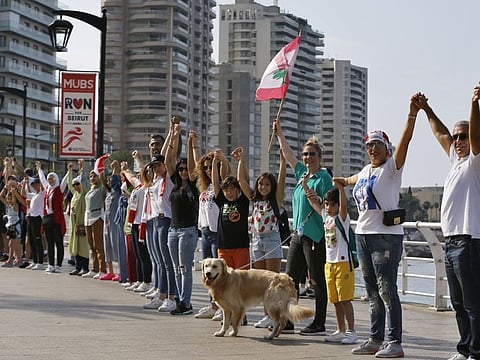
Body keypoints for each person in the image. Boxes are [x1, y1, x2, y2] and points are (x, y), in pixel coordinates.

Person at [334, 96, 417, 358]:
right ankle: (374, 338)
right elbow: (351, 179)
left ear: (386, 148)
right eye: (370, 146)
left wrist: (412, 114)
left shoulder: (392, 168)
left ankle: (394, 342)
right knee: (371, 290)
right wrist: (341, 182)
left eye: (378, 145)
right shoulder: (366, 170)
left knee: (387, 289)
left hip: (386, 237)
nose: (373, 149)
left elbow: (405, 141)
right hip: (363, 236)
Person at [415, 88, 480, 360]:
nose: (458, 141)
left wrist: (474, 104)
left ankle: (477, 352)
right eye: (456, 137)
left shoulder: (476, 161)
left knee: (473, 303)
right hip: (451, 241)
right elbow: (440, 133)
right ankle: (464, 349)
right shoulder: (456, 160)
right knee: (458, 303)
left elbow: (476, 136)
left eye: (462, 136)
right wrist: (426, 109)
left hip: (469, 239)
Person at [274, 119, 333, 335]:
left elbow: (330, 204)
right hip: (298, 234)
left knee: (316, 279)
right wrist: (280, 134)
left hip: (315, 235)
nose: (307, 158)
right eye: (306, 154)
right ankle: (288, 320)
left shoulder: (323, 177)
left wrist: (317, 199)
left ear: (320, 157)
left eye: (312, 154)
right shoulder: (302, 175)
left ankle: (319, 322)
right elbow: (288, 155)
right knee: (289, 279)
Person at [232, 145, 286, 329]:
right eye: (261, 184)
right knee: (261, 282)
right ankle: (266, 316)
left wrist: (283, 161)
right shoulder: (255, 199)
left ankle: (275, 316)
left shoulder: (276, 201)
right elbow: (241, 180)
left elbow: (281, 180)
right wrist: (241, 161)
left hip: (271, 240)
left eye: (267, 184)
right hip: (256, 240)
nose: (263, 187)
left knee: (273, 281)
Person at [190, 131, 231, 320]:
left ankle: (223, 307)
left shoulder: (219, 186)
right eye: (205, 168)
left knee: (219, 274)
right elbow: (197, 166)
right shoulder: (204, 187)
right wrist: (194, 145)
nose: (207, 170)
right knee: (208, 275)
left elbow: (223, 173)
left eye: (210, 167)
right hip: (205, 231)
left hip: (217, 232)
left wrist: (218, 161)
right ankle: (212, 305)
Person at [165, 123, 199, 315]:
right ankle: (180, 299)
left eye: (186, 169)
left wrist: (190, 143)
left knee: (185, 268)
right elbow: (169, 161)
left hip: (188, 230)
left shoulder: (193, 185)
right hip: (173, 229)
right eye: (181, 169)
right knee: (177, 268)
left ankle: (185, 302)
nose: (183, 172)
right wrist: (174, 136)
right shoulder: (176, 185)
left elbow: (194, 166)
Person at [319, 185, 357, 345]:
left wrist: (341, 189)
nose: (328, 208)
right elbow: (315, 204)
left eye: (332, 204)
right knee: (335, 299)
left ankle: (351, 331)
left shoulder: (342, 219)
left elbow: (343, 206)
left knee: (345, 299)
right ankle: (340, 330)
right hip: (330, 264)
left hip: (343, 263)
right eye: (326, 204)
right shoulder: (326, 218)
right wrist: (307, 188)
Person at [82, 161, 108, 279]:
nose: (92, 178)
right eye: (91, 176)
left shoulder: (101, 188)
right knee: (91, 244)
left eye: (94, 176)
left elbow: (104, 183)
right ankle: (94, 268)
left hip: (97, 217)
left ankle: (102, 269)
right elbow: (82, 182)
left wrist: (102, 171)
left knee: (98, 244)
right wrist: (82, 169)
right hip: (88, 217)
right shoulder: (90, 189)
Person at [38, 167, 66, 274]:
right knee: (50, 243)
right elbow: (42, 179)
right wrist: (40, 169)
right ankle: (51, 264)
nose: (50, 180)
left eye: (52, 178)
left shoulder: (59, 189)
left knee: (59, 243)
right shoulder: (47, 188)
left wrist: (68, 171)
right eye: (49, 178)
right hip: (48, 219)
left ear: (56, 179)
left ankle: (58, 265)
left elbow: (64, 182)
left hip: (56, 219)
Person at [66, 160, 90, 276]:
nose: (76, 186)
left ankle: (85, 268)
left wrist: (81, 168)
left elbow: (84, 181)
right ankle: (78, 267)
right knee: (75, 246)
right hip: (74, 225)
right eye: (75, 185)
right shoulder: (75, 194)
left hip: (82, 224)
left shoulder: (84, 193)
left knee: (83, 247)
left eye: (78, 184)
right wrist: (70, 172)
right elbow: (69, 184)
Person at [19, 175, 45, 270]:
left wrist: (39, 171)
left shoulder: (42, 193)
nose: (34, 186)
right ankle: (35, 261)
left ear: (39, 184)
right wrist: (25, 183)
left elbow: (43, 185)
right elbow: (24, 193)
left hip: (38, 219)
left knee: (38, 240)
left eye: (36, 184)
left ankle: (40, 262)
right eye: (33, 185)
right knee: (31, 240)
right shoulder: (34, 195)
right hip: (30, 218)